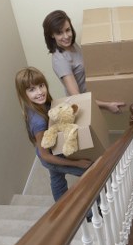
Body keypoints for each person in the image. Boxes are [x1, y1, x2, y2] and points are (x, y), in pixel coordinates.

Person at [15, 67, 93, 202]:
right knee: (92, 172)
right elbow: (46, 156)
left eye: (41, 85)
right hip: (50, 157)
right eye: (32, 89)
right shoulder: (38, 122)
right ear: (23, 93)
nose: (39, 92)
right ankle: (91, 211)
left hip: (50, 150)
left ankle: (60, 207)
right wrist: (77, 163)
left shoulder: (40, 105)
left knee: (57, 178)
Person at [42, 10, 126, 114]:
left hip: (92, 95)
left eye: (68, 30)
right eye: (59, 33)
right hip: (83, 105)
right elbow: (77, 96)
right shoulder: (60, 60)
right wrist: (106, 105)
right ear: (51, 35)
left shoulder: (71, 45)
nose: (66, 36)